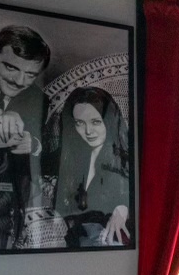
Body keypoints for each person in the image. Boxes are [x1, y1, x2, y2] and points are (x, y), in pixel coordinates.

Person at [0, 25, 52, 249]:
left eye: (30, 75)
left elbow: (52, 149)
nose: (19, 81)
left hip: (12, 213)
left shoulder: (39, 99)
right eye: (11, 67)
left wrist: (32, 144)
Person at [54, 86, 131, 247]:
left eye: (96, 122)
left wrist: (125, 207)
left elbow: (137, 196)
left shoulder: (125, 160)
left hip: (110, 248)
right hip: (74, 247)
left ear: (109, 121)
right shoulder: (73, 158)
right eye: (80, 123)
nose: (88, 131)